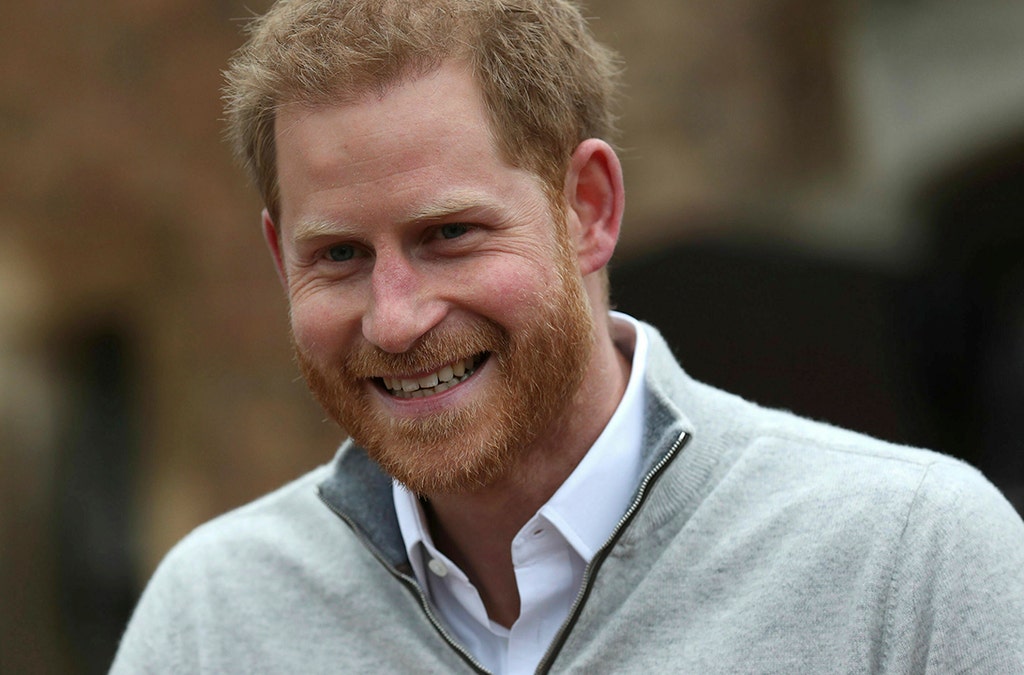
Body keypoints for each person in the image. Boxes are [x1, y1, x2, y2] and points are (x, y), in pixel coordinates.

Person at [111, 0, 1024, 672]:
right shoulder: (210, 622)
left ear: (589, 208)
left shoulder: (912, 564)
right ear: (280, 258)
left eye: (449, 235)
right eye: (340, 255)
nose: (395, 318)